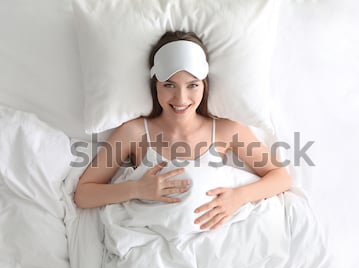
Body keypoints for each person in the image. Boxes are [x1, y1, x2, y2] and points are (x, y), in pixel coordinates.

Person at [74, 31, 292, 231]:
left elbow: (281, 177)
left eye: (192, 85)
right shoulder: (135, 133)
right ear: (155, 85)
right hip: (152, 240)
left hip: (213, 241)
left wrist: (238, 197)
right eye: (169, 85)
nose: (180, 98)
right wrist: (137, 189)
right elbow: (83, 194)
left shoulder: (227, 130)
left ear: (204, 85)